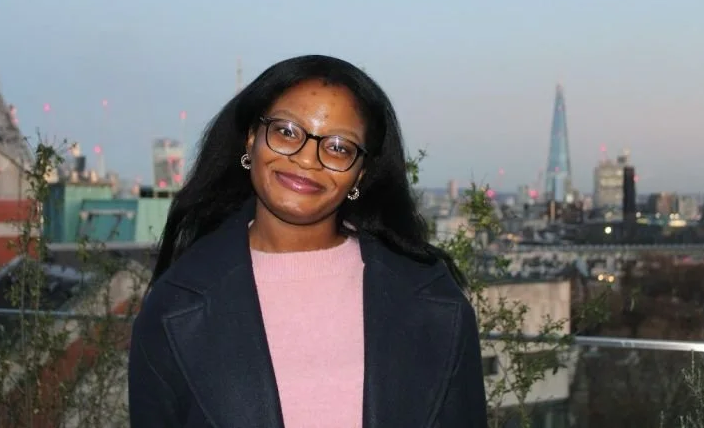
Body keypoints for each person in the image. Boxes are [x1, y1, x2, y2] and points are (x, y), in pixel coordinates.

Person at [128, 55, 487, 427]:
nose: (306, 159)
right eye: (286, 131)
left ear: (360, 173)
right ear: (251, 139)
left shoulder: (433, 302)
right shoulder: (175, 307)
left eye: (338, 147)